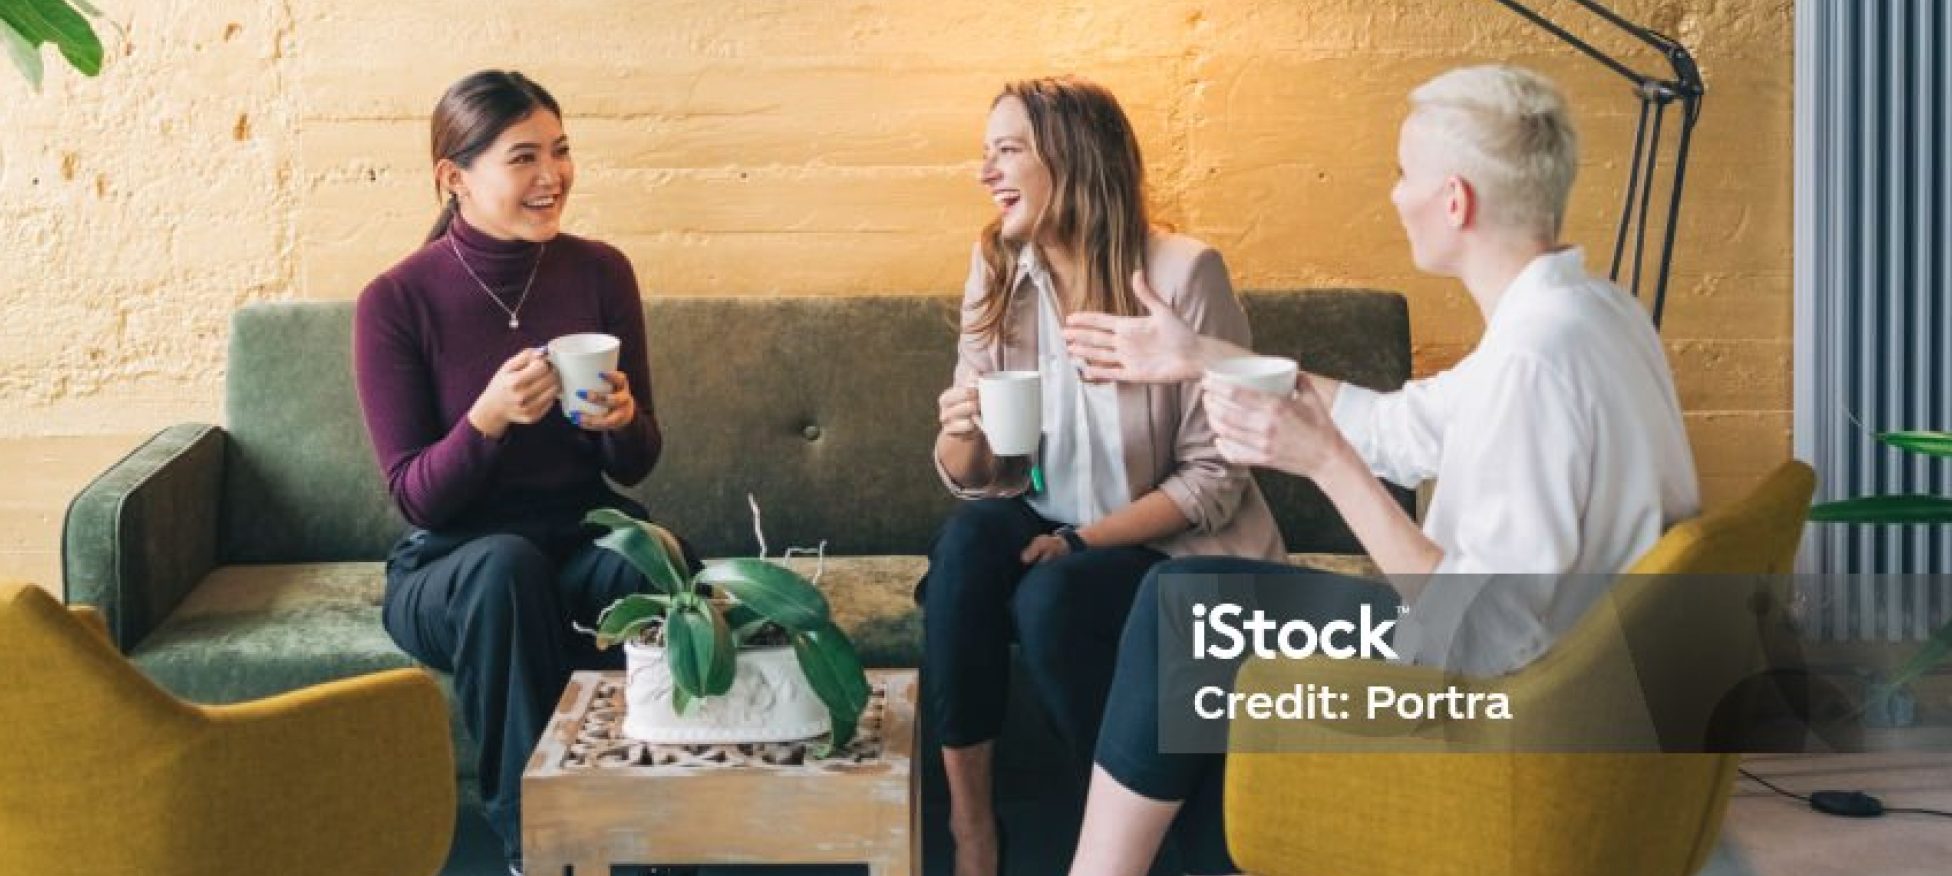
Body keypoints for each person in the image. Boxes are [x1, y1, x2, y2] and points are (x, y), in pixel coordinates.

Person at [1058, 65, 1701, 875]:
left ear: (1456, 201)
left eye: (1404, 175)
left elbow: (1483, 636)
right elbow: (1397, 429)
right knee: (1189, 614)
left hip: (1517, 701)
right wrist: (1201, 355)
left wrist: (1325, 463)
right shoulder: (1591, 311)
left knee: (1184, 616)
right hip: (1563, 662)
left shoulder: (1534, 363)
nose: (1395, 196)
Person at [922, 76, 1288, 876]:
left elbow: (1214, 480)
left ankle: (1130, 840)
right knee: (964, 553)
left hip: (1171, 547)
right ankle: (974, 835)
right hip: (1052, 515)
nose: (987, 172)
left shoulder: (1183, 274)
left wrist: (1081, 541)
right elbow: (975, 476)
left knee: (1054, 598)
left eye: (1009, 150)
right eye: (986, 153)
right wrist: (964, 434)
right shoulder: (997, 268)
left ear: (1074, 159)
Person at [353, 70, 688, 876]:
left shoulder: (601, 271)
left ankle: (663, 836)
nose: (553, 177)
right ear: (453, 177)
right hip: (451, 564)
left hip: (575, 537)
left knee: (648, 555)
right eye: (525, 157)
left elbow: (639, 461)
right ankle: (541, 848)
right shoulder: (396, 300)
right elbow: (413, 497)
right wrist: (486, 421)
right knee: (506, 568)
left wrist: (619, 425)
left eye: (562, 152)